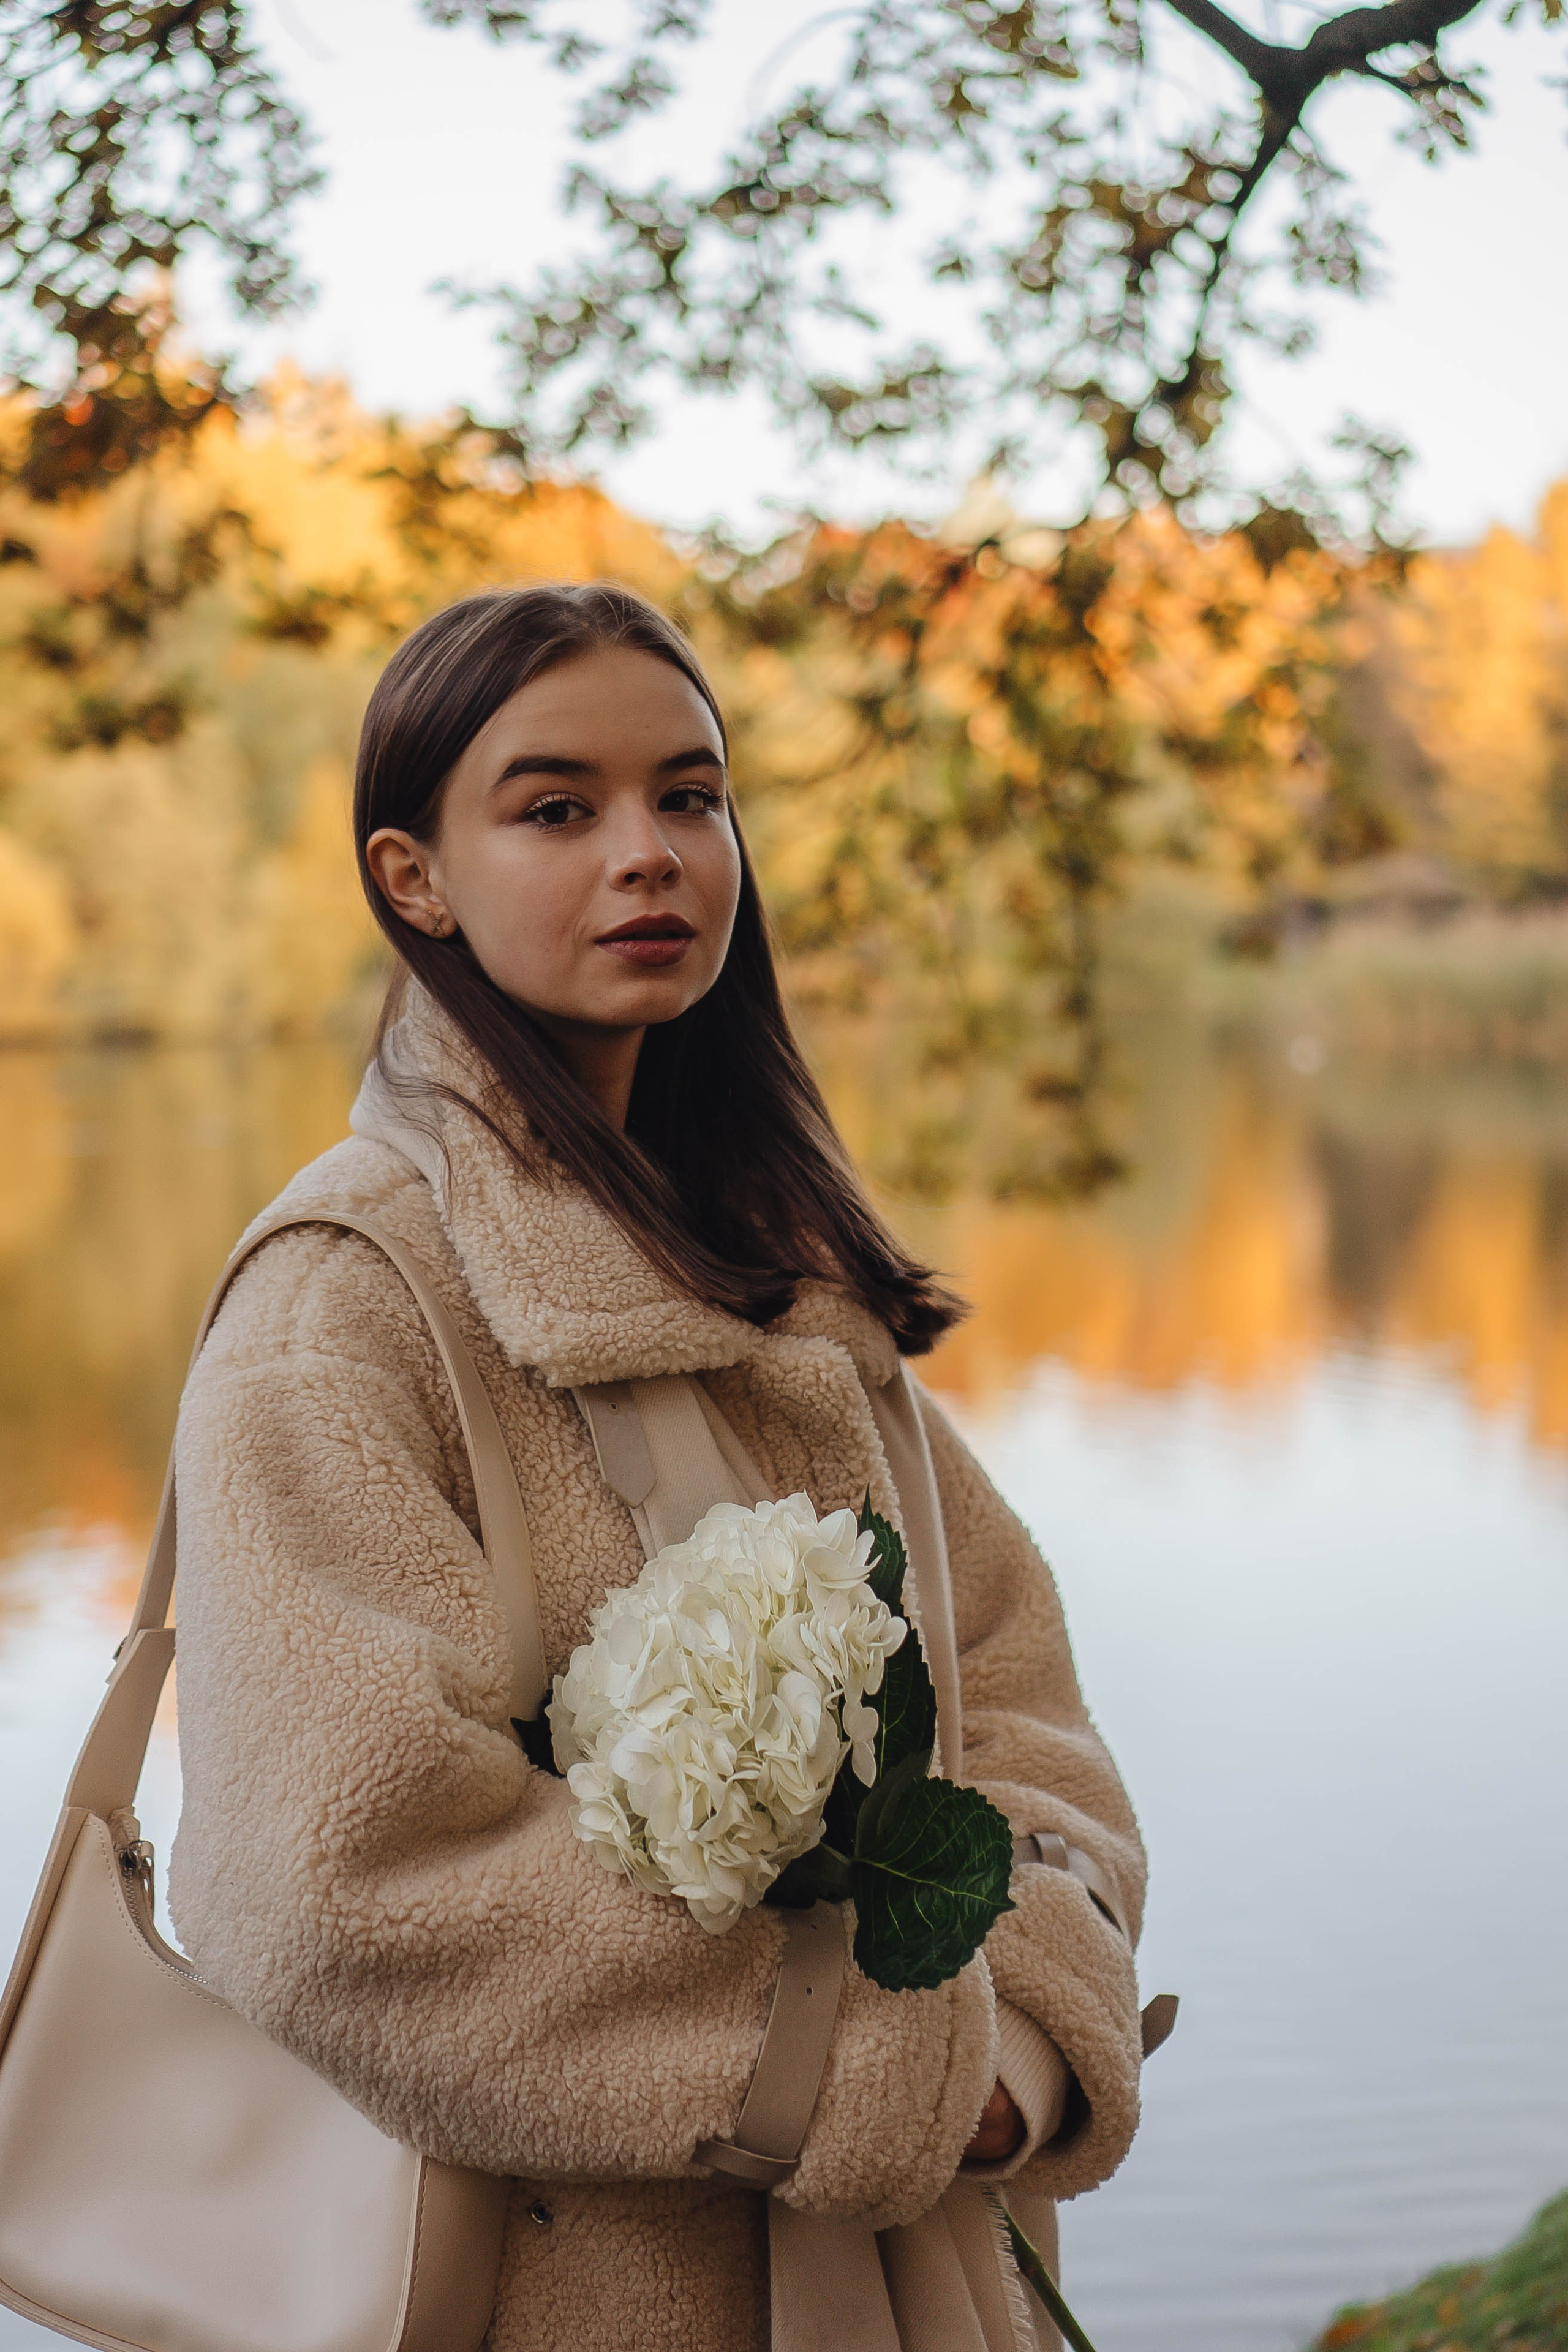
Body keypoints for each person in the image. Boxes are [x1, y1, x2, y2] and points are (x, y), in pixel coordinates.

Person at [168, 582, 1148, 2352]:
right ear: (416, 877)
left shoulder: (781, 1276)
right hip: (558, 2289)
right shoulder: (341, 1305)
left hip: (910, 2280)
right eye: (560, 809)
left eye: (691, 797)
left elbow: (1015, 1710)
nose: (652, 854)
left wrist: (1009, 2047)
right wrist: (886, 2070)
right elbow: (343, 1885)